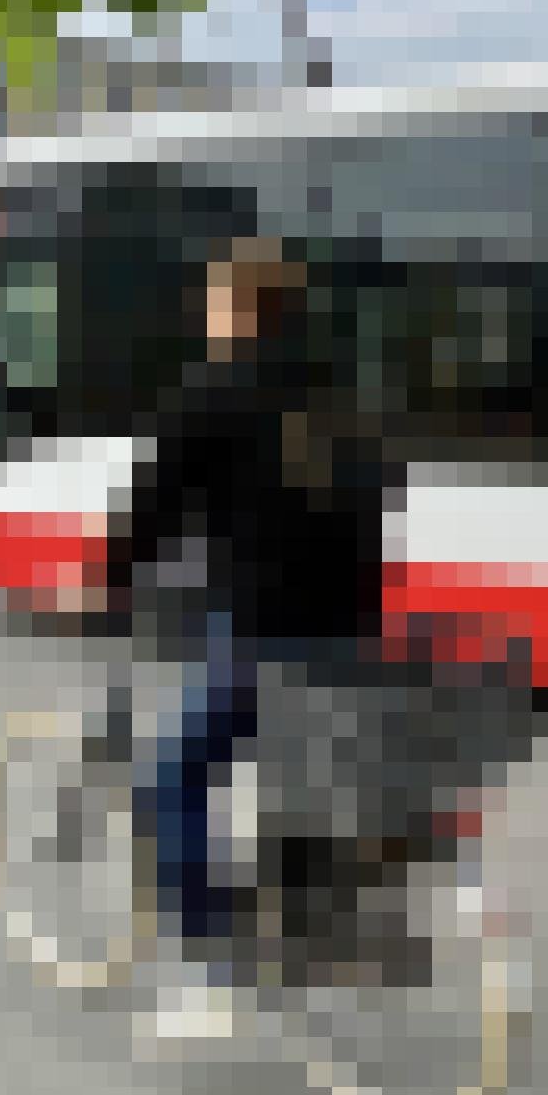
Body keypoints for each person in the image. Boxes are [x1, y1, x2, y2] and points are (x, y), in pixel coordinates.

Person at [112, 237, 395, 1043]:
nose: (203, 316)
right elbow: (382, 493)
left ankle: (203, 973)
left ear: (237, 307)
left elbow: (151, 509)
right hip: (354, 626)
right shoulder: (341, 389)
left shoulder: (214, 391)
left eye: (210, 301)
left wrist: (102, 578)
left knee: (171, 779)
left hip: (268, 627)